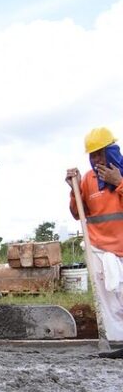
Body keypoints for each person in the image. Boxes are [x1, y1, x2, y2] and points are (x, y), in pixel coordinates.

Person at [66, 127, 123, 341]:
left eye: (100, 153)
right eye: (93, 154)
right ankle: (117, 342)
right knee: (108, 303)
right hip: (99, 250)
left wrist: (119, 183)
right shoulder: (89, 180)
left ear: (112, 151)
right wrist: (75, 189)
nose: (96, 159)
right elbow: (77, 213)